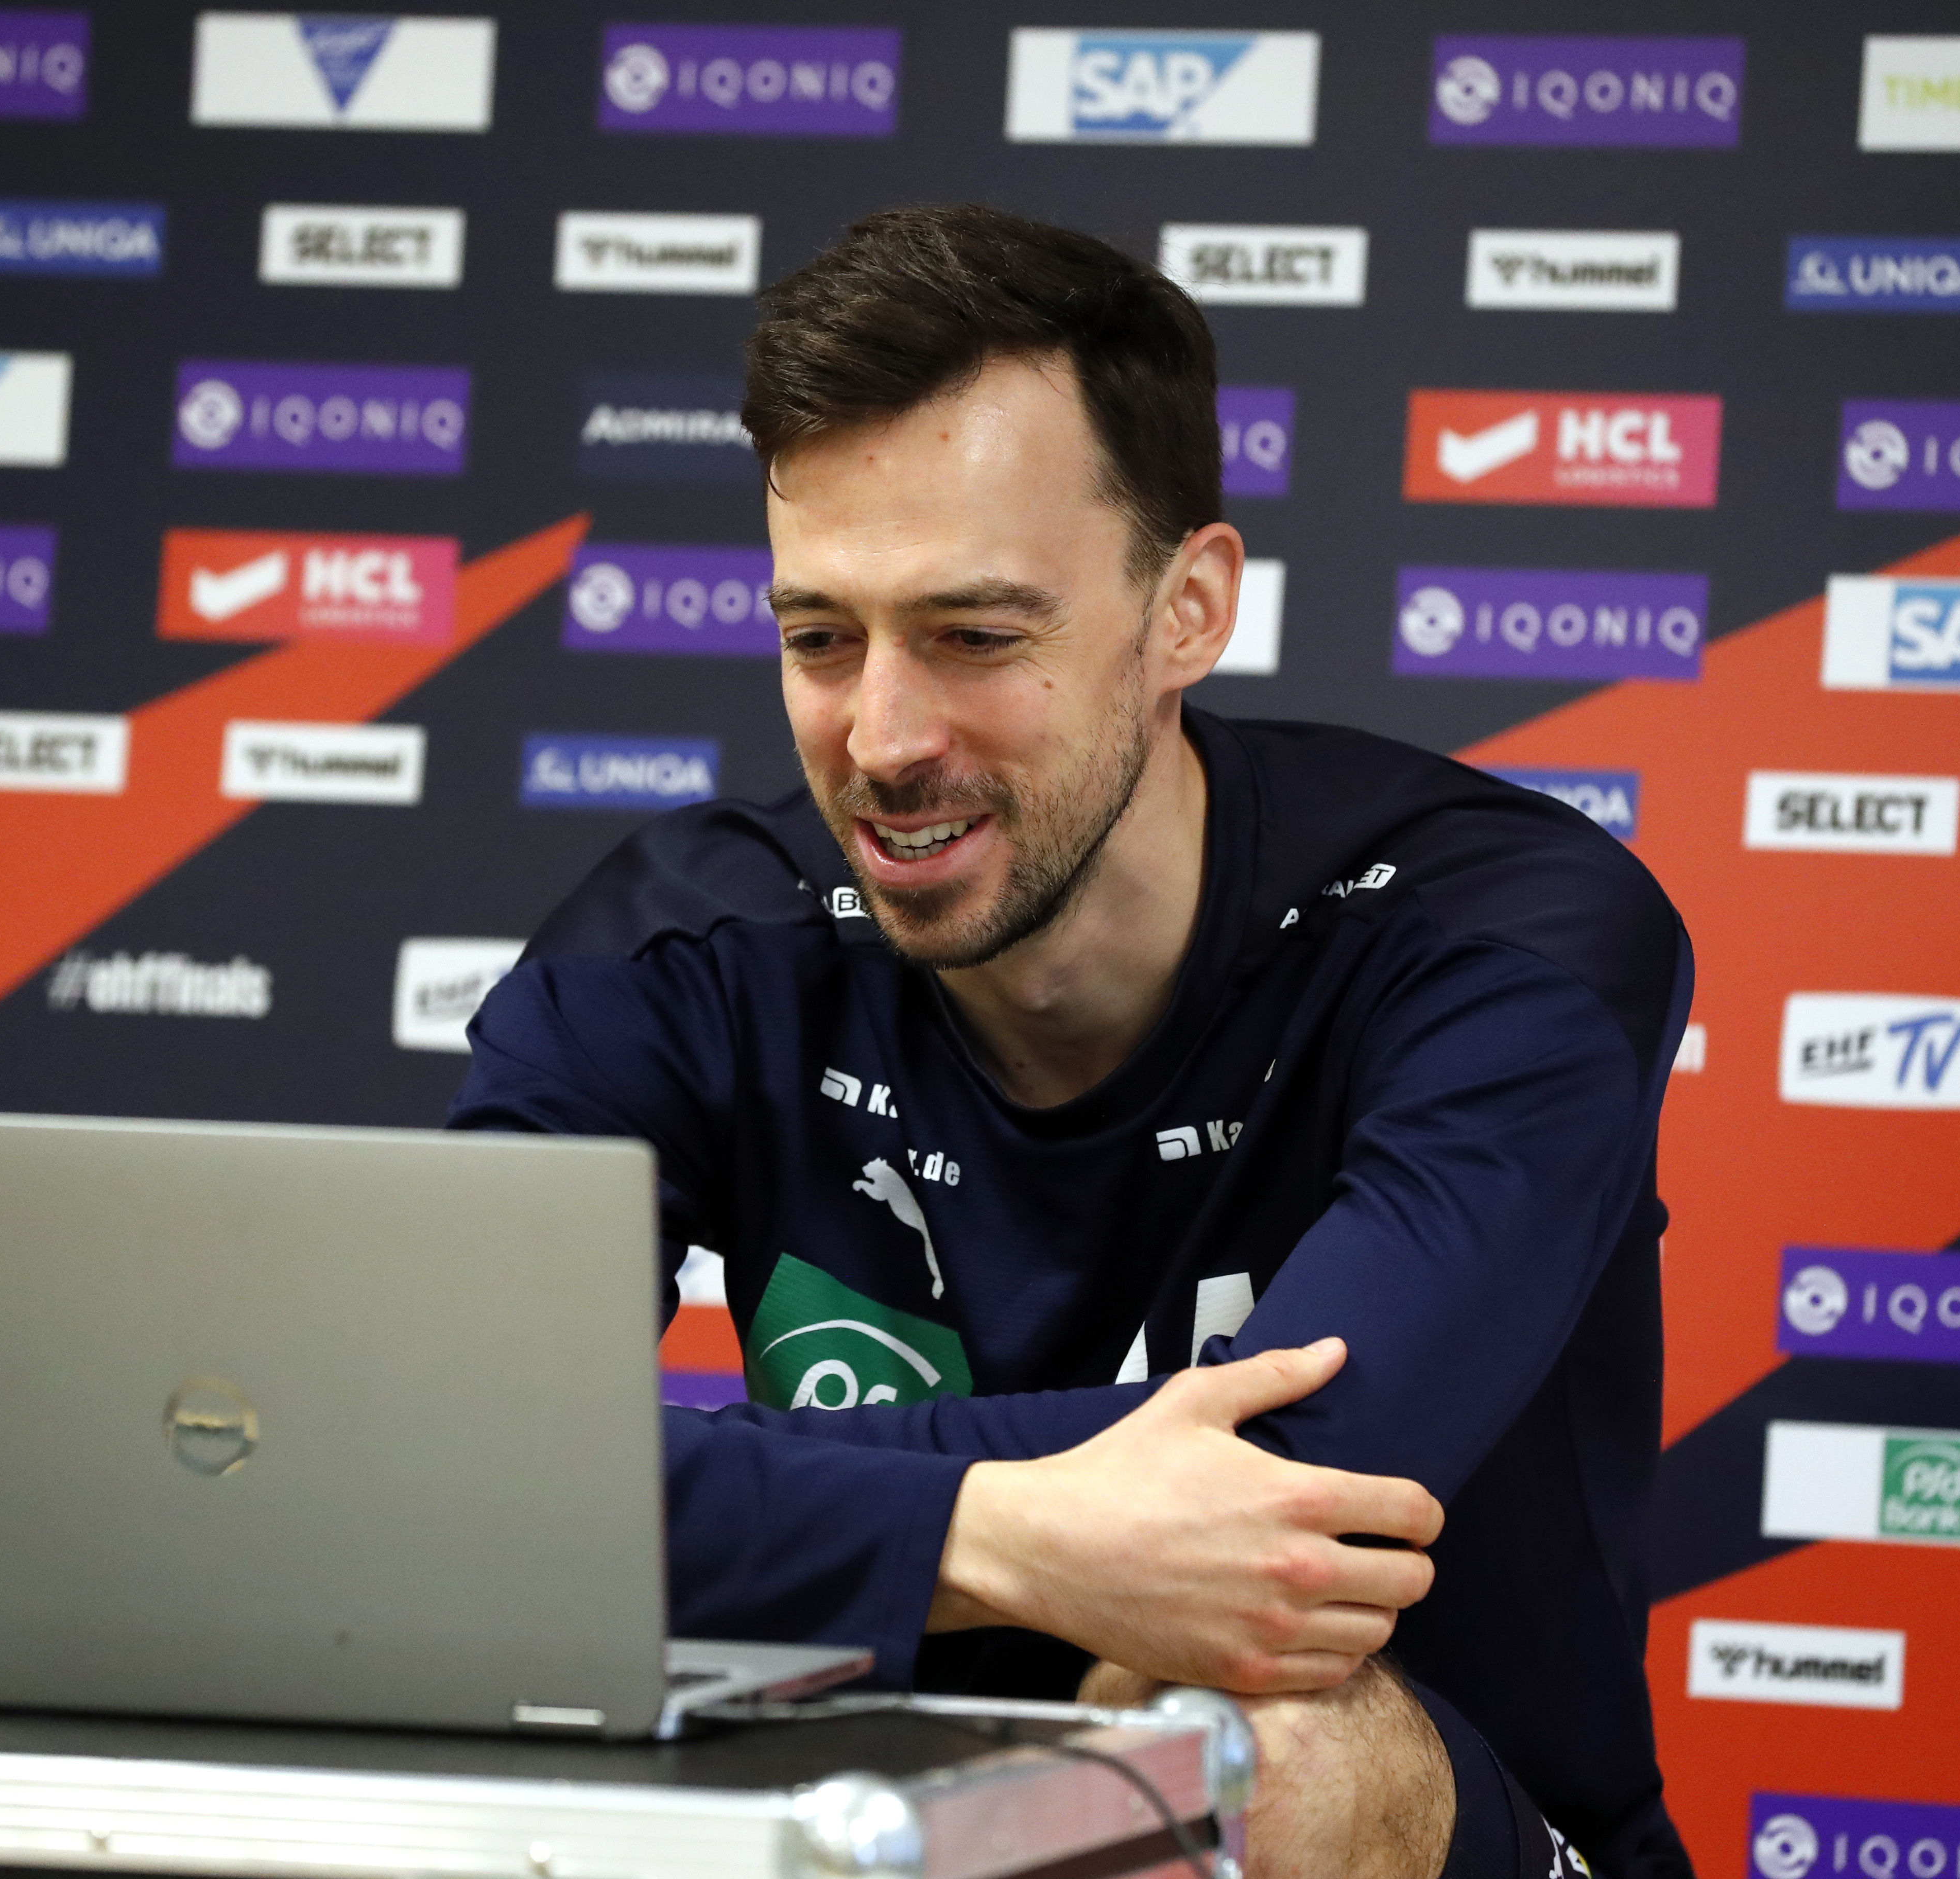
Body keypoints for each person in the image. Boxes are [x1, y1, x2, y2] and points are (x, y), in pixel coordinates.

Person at [450, 204, 1693, 1879]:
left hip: (1451, 1827)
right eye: (821, 638)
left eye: (976, 636)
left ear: (1188, 610)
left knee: (1230, 1736)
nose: (883, 737)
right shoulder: (685, 950)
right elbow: (440, 1467)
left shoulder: (1499, 935)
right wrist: (991, 1528)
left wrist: (665, 1488)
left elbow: (1281, 1503)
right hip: (892, 1823)